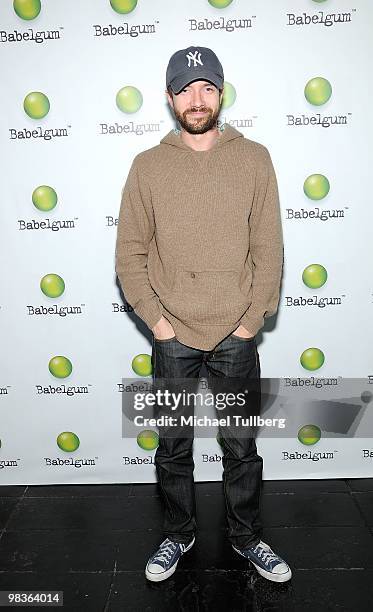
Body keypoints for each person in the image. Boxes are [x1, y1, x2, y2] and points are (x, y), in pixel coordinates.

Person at [115, 45, 291, 584]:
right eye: (186, 88)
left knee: (241, 447)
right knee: (173, 446)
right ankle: (178, 533)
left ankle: (246, 537)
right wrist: (158, 321)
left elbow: (270, 248)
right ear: (170, 98)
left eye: (207, 87)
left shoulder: (254, 157)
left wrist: (251, 320)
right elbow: (130, 253)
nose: (197, 99)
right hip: (172, 336)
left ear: (221, 93)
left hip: (236, 332)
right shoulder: (147, 166)